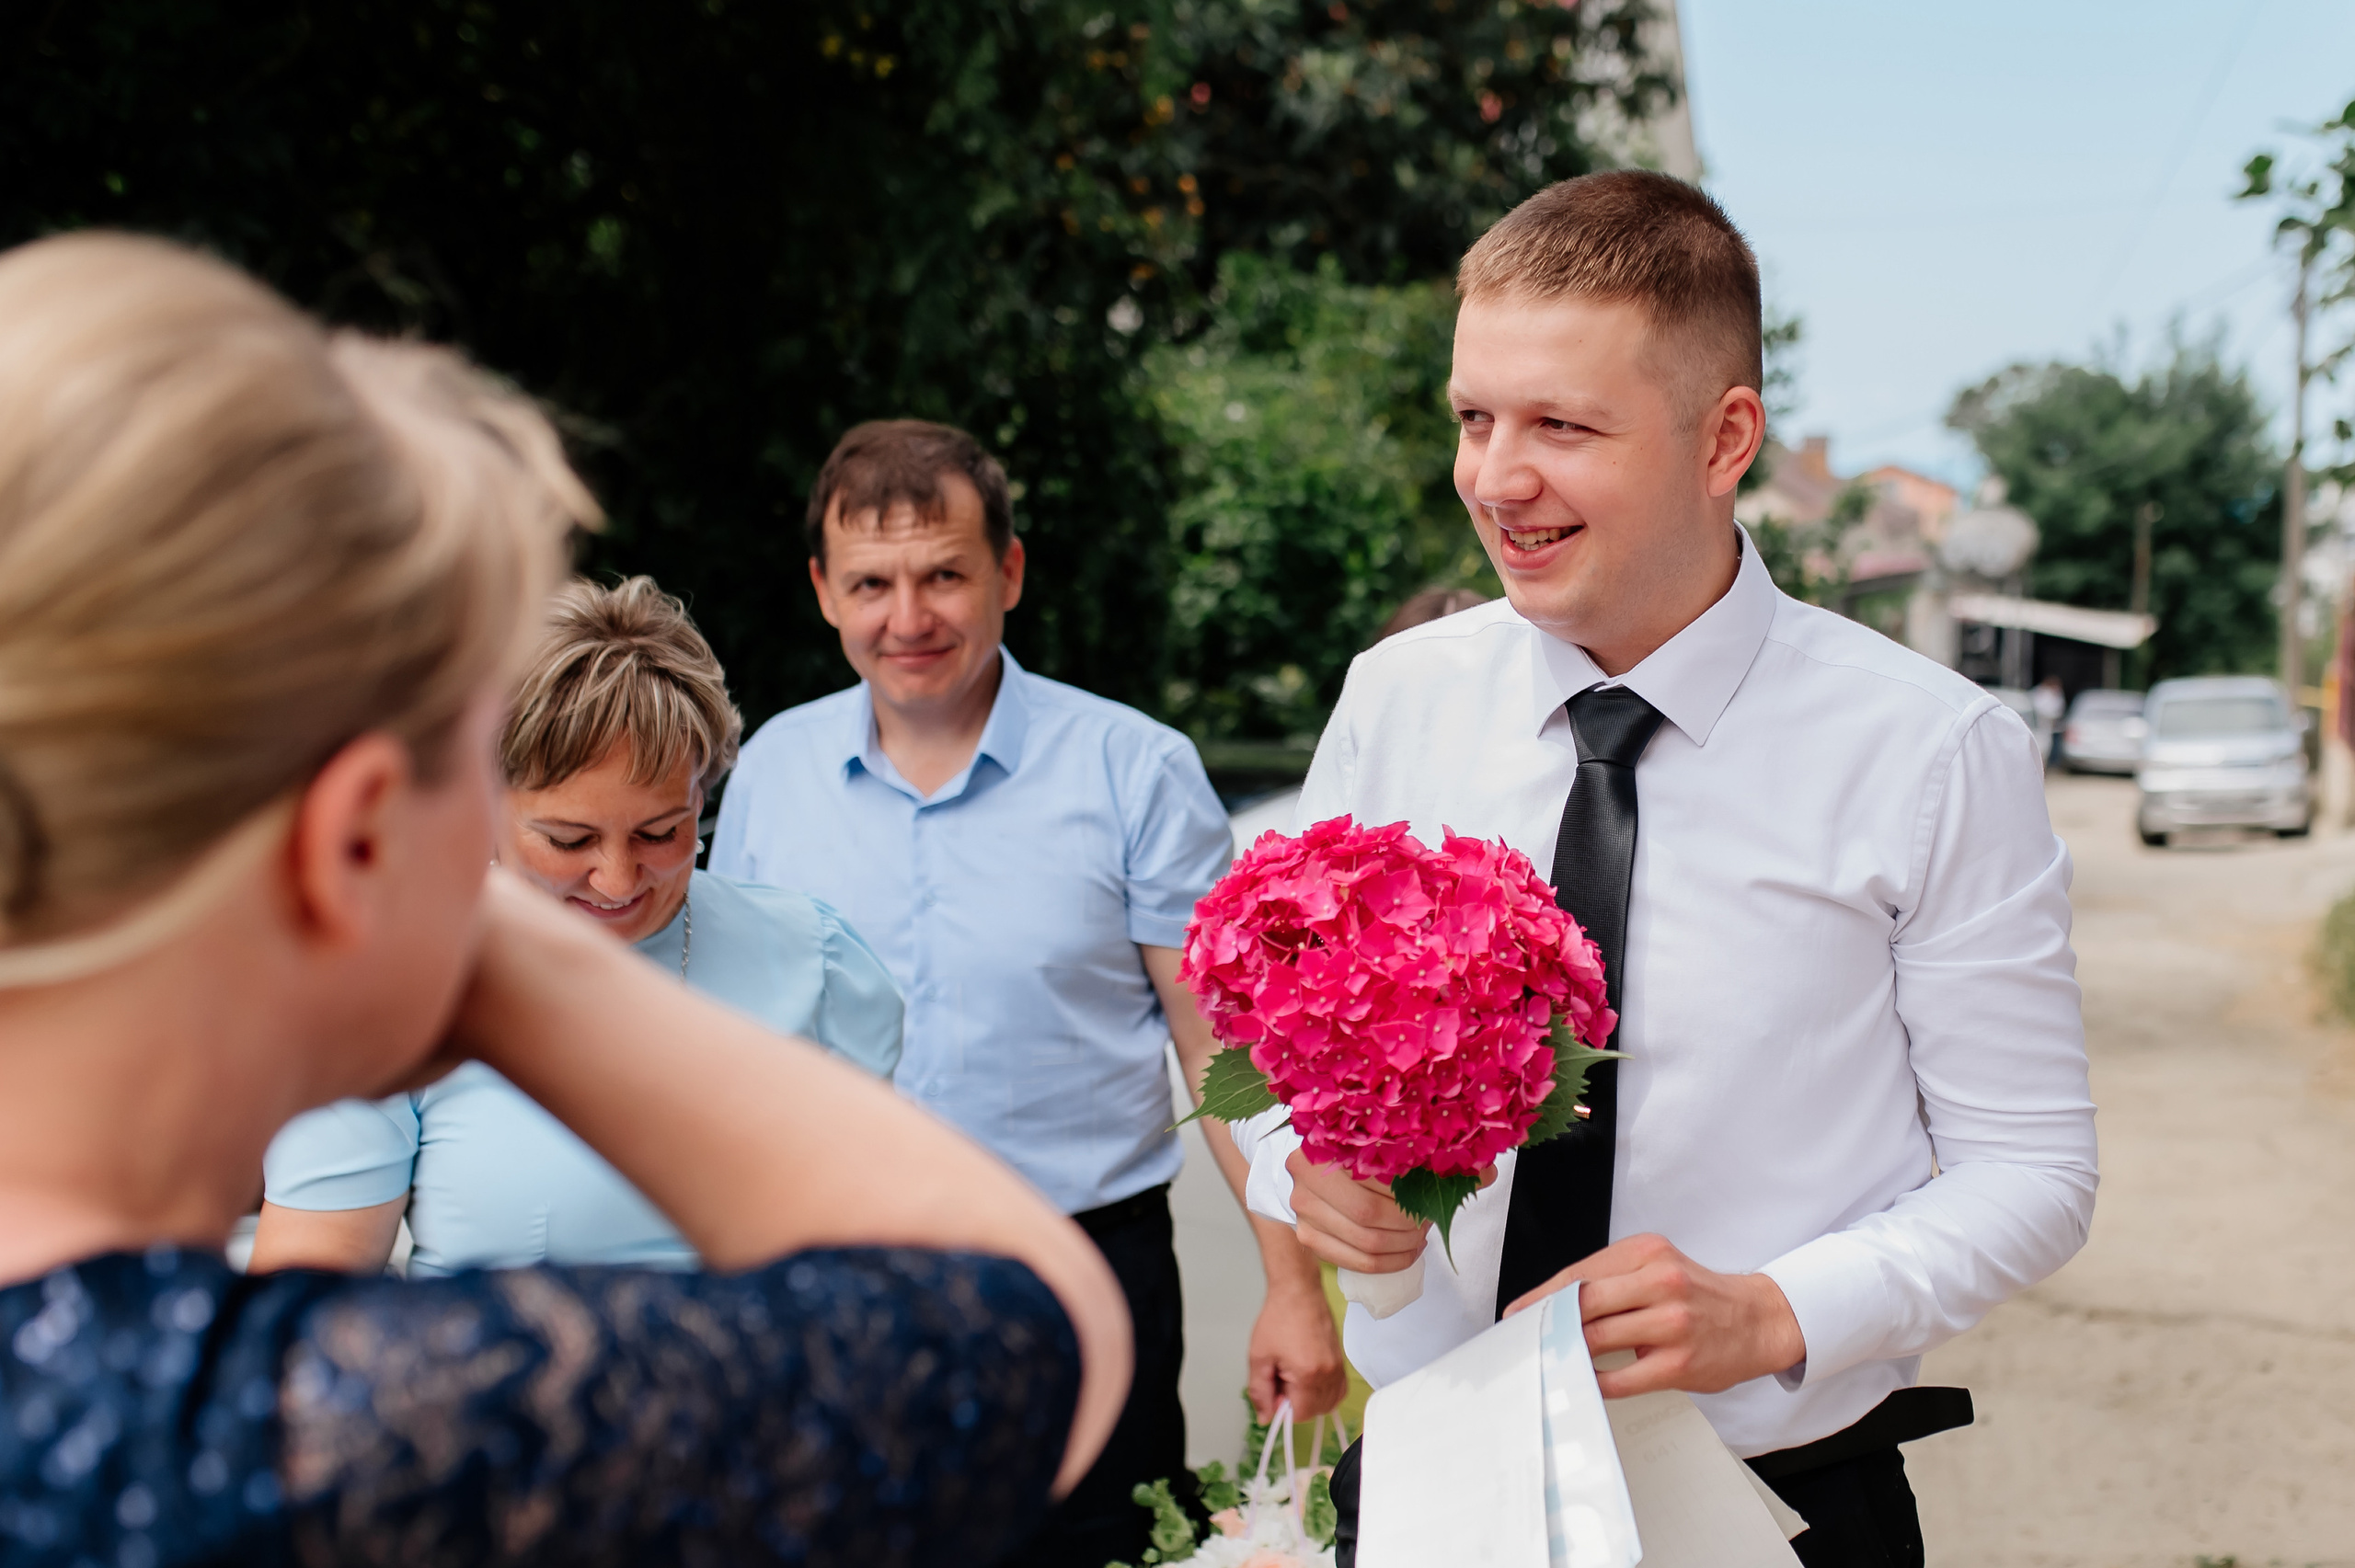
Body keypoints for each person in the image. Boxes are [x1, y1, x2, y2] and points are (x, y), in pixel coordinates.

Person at [0, 233, 1130, 1565]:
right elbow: (1029, 1339)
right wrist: (505, 958)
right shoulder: (282, 1428)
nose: (611, 871)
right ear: (354, 833)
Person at [1234, 171, 2097, 1567]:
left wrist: (1778, 1310)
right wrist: (1303, 1170)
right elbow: (1282, 1062)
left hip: (1776, 1506)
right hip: (1432, 1491)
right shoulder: (1396, 699)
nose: (1494, 478)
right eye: (1473, 418)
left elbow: (2033, 1169)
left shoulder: (1931, 752)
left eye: (1562, 426)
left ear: (1724, 438)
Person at [710, 418, 1347, 1568]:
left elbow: (1222, 1053)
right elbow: (741, 1053)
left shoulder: (1134, 769)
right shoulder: (768, 776)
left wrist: (1291, 1285)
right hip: (845, 1283)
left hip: (1086, 1275)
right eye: (872, 583)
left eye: (944, 574)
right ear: (823, 591)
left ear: (1007, 570)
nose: (908, 617)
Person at [250, 574, 904, 1276]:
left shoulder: (819, 961)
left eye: (661, 831)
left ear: (703, 794)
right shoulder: (392, 988)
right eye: (569, 840)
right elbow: (307, 1287)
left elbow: (878, 1251)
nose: (618, 880)